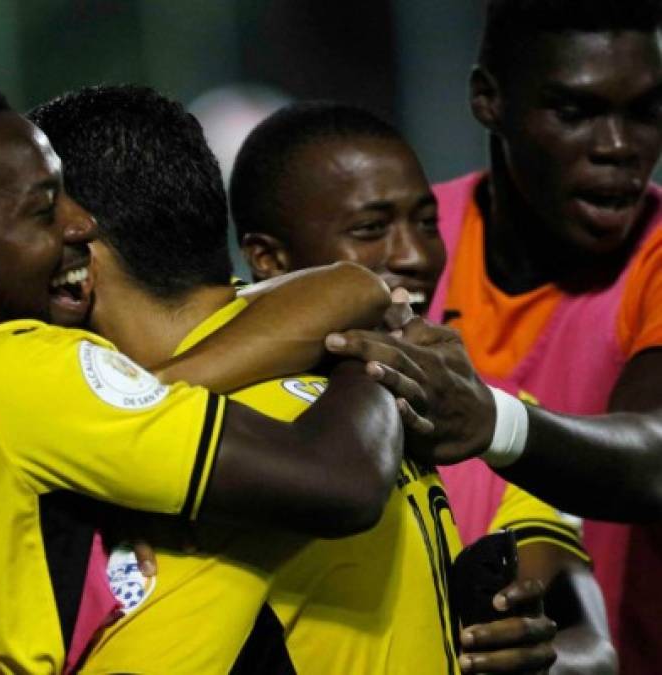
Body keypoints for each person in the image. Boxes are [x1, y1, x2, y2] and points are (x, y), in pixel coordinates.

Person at [0, 82, 408, 673]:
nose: (80, 225)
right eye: (43, 208)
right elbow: (341, 484)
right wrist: (370, 360)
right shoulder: (17, 370)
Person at [29, 84, 561, 675]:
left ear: (74, 247)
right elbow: (348, 287)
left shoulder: (213, 461)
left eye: (26, 220)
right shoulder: (341, 363)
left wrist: (143, 400)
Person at [302, 1, 662, 671]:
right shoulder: (401, 243)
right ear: (487, 99)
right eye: (575, 111)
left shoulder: (654, 257)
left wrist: (494, 421)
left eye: (644, 111)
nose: (618, 146)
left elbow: (655, 457)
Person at [232, 100, 615, 674]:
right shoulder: (216, 415)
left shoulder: (497, 422)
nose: (414, 255)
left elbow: (593, 643)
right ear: (267, 257)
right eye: (371, 229)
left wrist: (543, 655)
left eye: (427, 222)